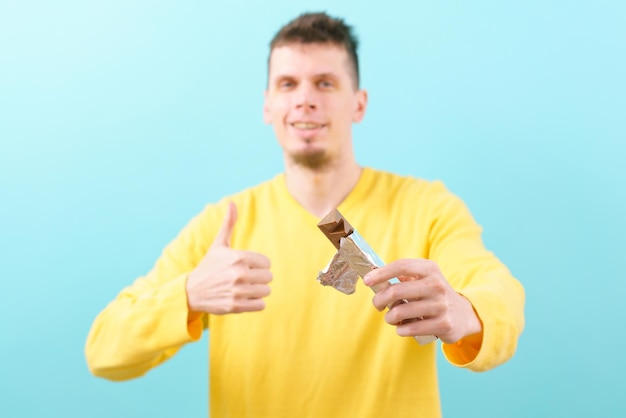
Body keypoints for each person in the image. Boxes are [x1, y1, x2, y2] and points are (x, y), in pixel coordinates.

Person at [85, 12, 525, 418]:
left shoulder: (427, 207)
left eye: (325, 83)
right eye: (288, 84)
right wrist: (186, 295)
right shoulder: (225, 225)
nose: (305, 100)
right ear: (267, 106)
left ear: (359, 103)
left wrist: (466, 312)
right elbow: (103, 349)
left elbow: (500, 292)